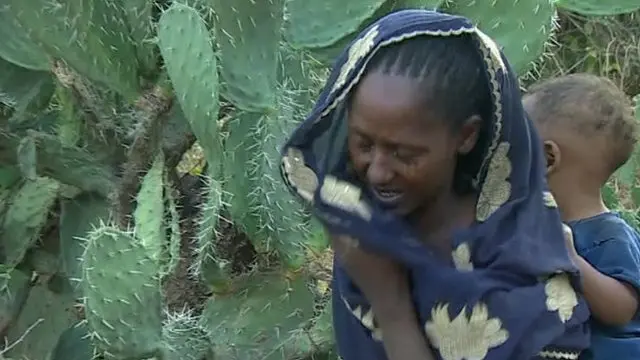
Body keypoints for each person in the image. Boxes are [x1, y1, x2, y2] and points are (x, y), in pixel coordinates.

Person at [279, 9, 591, 360]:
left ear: (466, 136)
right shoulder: (367, 230)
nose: (378, 172)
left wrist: (390, 304)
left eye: (405, 154)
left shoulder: (525, 261)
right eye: (363, 144)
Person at [523, 73, 640, 360]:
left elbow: (622, 309)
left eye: (514, 146)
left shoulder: (610, 235)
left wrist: (572, 260)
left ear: (548, 158)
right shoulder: (536, 226)